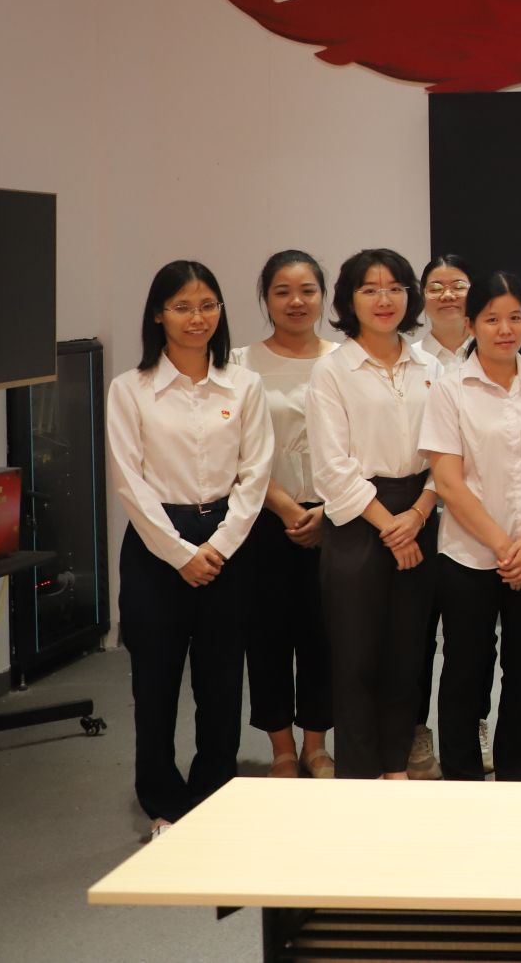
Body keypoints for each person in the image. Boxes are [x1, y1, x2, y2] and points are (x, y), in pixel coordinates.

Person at [107, 260, 271, 837]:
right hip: (157, 544)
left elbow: (255, 473)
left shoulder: (244, 384)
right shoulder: (130, 389)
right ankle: (163, 802)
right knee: (154, 682)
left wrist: (219, 546)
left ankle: (213, 792)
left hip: (229, 539)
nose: (196, 317)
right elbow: (129, 481)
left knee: (221, 681)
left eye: (207, 305)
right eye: (182, 307)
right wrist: (180, 553)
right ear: (159, 314)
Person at [305, 247, 443, 781]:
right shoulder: (332, 370)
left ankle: (396, 768)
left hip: (421, 511)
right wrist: (392, 528)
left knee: (407, 654)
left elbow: (449, 452)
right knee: (356, 658)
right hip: (359, 522)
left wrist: (420, 513)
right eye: (369, 289)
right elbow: (331, 467)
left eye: (394, 288)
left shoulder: (431, 366)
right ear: (349, 300)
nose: (384, 300)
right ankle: (360, 777)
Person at [421, 271, 521, 782]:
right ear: (471, 324)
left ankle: (516, 774)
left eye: (515, 317)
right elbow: (448, 482)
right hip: (469, 557)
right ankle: (461, 780)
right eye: (492, 319)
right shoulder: (449, 389)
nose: (505, 329)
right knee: (465, 670)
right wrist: (506, 545)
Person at [229, 250, 337, 780]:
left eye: (307, 291)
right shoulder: (239, 363)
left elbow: (360, 445)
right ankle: (281, 749)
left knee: (325, 635)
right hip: (262, 517)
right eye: (283, 292)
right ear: (266, 298)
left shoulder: (344, 360)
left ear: (323, 296)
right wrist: (288, 508)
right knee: (267, 636)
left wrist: (326, 509)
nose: (296, 301)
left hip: (335, 516)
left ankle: (316, 744)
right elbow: (233, 449)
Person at [411, 251, 478, 776]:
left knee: (471, 639)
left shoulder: (498, 349)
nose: (448, 294)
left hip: (478, 519)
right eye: (436, 286)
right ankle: (417, 731)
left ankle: (475, 723)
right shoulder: (410, 359)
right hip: (420, 512)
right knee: (416, 633)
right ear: (422, 295)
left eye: (458, 284)